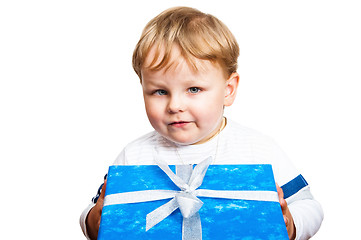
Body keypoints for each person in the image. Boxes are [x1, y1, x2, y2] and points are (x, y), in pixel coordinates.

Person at [80, 6, 323, 240]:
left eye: (193, 89)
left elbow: (309, 206)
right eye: (159, 91)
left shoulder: (258, 149)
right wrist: (95, 222)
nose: (175, 105)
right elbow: (91, 213)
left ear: (228, 90)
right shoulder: (134, 156)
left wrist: (290, 224)